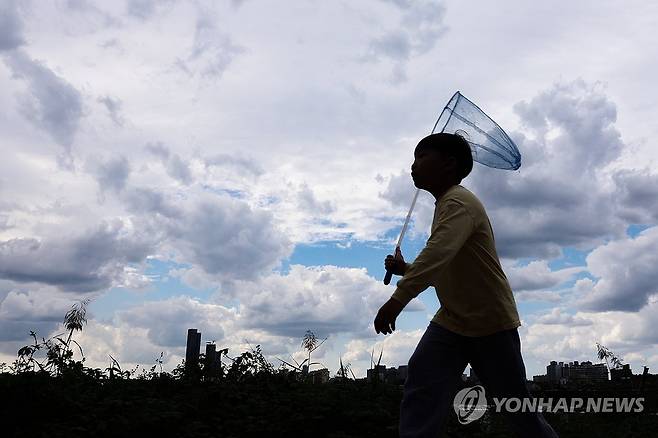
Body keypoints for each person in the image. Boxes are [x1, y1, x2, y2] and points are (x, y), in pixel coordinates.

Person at [373, 133, 558, 437]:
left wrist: (397, 301)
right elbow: (446, 265)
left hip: (490, 322)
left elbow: (437, 254)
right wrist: (406, 269)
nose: (413, 166)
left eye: (421, 157)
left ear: (449, 164)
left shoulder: (459, 202)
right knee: (421, 384)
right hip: (453, 320)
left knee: (517, 409)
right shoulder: (447, 204)